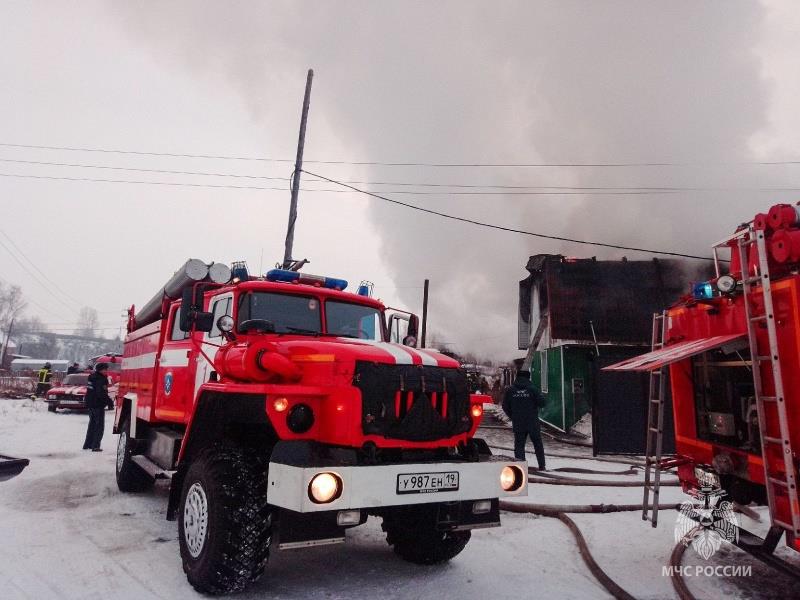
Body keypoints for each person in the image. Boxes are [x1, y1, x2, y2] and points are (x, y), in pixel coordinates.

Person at [502, 369, 546, 470]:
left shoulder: (510, 390)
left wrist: (513, 416)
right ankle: (542, 466)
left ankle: (521, 468)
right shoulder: (532, 389)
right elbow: (542, 403)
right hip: (532, 422)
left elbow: (505, 406)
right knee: (537, 444)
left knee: (519, 445)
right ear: (528, 377)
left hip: (518, 422)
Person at [83, 363, 111, 452]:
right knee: (99, 426)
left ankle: (87, 444)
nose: (106, 371)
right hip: (98, 405)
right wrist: (109, 402)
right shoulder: (101, 379)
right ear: (100, 370)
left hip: (90, 404)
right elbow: (101, 393)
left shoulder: (91, 377)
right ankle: (95, 446)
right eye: (105, 369)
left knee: (92, 425)